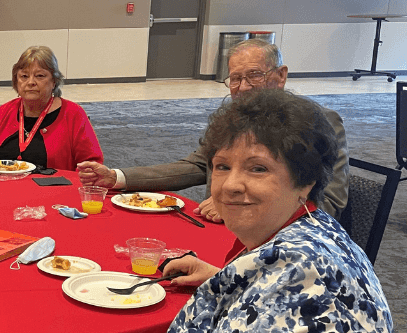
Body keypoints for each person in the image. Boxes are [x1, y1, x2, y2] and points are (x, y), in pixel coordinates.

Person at [59, 89, 406, 333]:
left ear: (305, 182)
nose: (230, 185)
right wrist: (223, 277)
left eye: (258, 168)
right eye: (222, 166)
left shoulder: (302, 277)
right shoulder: (308, 233)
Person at [77, 38, 349, 221]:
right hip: (221, 229)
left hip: (287, 246)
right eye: (235, 78)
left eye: (254, 75)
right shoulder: (230, 121)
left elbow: (331, 204)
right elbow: (196, 166)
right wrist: (118, 177)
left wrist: (236, 206)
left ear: (280, 75)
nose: (243, 87)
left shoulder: (318, 123)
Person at [0, 46, 103, 170]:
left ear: (54, 81)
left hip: (54, 190)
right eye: (24, 76)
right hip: (1, 188)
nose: (30, 82)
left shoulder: (73, 114)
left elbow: (91, 165)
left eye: (40, 76)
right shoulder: (4, 112)